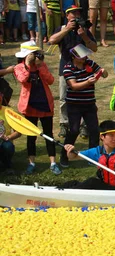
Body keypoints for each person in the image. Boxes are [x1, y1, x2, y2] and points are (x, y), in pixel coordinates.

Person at [48, 5, 97, 141]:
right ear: (67, 15)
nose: (76, 15)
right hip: (66, 66)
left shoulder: (84, 29)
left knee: (84, 97)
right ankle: (64, 123)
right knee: (64, 98)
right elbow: (51, 41)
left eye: (78, 13)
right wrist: (67, 29)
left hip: (83, 68)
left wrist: (85, 37)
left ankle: (83, 125)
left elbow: (94, 48)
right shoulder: (62, 29)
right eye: (73, 13)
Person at [14, 41, 61, 175]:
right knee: (31, 136)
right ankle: (31, 163)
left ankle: (53, 163)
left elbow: (51, 80)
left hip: (45, 104)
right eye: (33, 54)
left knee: (49, 135)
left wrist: (40, 67)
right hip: (30, 107)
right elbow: (23, 79)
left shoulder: (42, 65)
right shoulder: (19, 67)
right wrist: (28, 66)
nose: (36, 57)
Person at [59, 43, 107, 168]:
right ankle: (64, 155)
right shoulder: (68, 68)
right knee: (74, 130)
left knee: (94, 130)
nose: (85, 57)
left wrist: (103, 72)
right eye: (82, 55)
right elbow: (73, 86)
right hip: (74, 105)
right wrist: (88, 82)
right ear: (74, 57)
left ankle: (93, 157)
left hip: (89, 103)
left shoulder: (90, 64)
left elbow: (105, 74)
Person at [62, 121, 115, 189]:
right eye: (111, 135)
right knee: (73, 183)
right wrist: (70, 151)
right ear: (102, 136)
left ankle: (71, 193)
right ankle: (63, 191)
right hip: (107, 188)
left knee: (92, 182)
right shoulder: (98, 151)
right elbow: (73, 157)